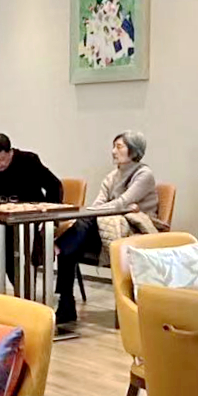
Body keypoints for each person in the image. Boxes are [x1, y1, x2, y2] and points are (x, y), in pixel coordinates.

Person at [54, 131, 158, 324]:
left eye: (119, 147)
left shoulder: (144, 175)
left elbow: (120, 204)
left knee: (79, 231)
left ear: (134, 150)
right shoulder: (112, 176)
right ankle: (65, 299)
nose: (113, 151)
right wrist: (101, 210)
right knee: (77, 239)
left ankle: (58, 250)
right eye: (113, 146)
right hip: (109, 226)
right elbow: (99, 204)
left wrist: (105, 210)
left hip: (134, 230)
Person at [0, 133, 63, 294]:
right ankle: (21, 291)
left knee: (2, 238)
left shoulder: (28, 160)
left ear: (10, 152)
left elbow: (54, 185)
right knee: (1, 234)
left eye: (2, 160)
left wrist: (49, 217)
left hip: (29, 220)